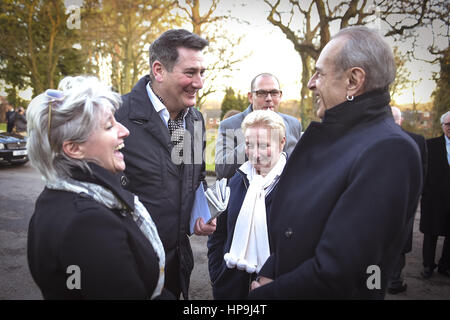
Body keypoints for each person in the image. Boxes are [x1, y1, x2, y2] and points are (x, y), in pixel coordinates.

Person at [248, 26, 423, 299]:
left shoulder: (389, 151)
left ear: (354, 80)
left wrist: (264, 296)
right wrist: (272, 267)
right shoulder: (342, 137)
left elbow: (344, 272)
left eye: (320, 73)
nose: (311, 82)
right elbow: (295, 232)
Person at [26, 76, 170, 299]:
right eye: (109, 125)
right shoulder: (86, 223)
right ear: (74, 148)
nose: (124, 131)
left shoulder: (58, 196)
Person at [116, 29, 215, 299]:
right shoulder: (115, 116)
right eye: (190, 73)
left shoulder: (194, 120)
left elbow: (191, 174)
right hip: (130, 268)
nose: (200, 83)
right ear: (158, 70)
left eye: (202, 72)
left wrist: (201, 210)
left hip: (176, 267)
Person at [208, 110, 287, 299]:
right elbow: (218, 234)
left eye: (264, 145)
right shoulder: (236, 181)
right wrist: (218, 275)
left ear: (282, 142)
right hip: (230, 290)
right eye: (250, 145)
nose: (255, 154)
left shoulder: (297, 183)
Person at [215, 73, 302, 180]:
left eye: (274, 93)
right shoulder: (229, 125)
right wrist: (252, 142)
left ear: (280, 96)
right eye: (262, 93)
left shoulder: (293, 124)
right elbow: (221, 171)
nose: (269, 98)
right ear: (251, 97)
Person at [388, 106, 427, 294]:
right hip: (406, 201)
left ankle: (377, 282)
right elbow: (423, 172)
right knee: (400, 242)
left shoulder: (373, 137)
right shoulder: (418, 141)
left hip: (379, 201)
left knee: (380, 242)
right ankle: (394, 282)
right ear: (401, 120)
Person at [420, 110, 450, 279]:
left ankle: (445, 265)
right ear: (442, 126)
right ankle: (428, 265)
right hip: (434, 198)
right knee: (431, 233)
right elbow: (422, 169)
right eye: (448, 124)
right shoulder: (430, 145)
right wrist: (423, 191)